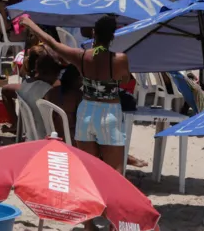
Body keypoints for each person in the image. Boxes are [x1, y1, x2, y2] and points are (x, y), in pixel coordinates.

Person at [23, 15, 130, 179]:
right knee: (114, 172)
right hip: (109, 113)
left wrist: (30, 24)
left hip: (86, 112)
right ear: (113, 36)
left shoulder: (81, 57)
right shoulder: (120, 59)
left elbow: (53, 43)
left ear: (94, 33)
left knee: (87, 169)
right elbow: (125, 80)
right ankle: (110, 203)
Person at [44, 64, 83, 141]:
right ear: (77, 79)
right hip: (70, 138)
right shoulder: (77, 95)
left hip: (53, 134)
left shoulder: (50, 92)